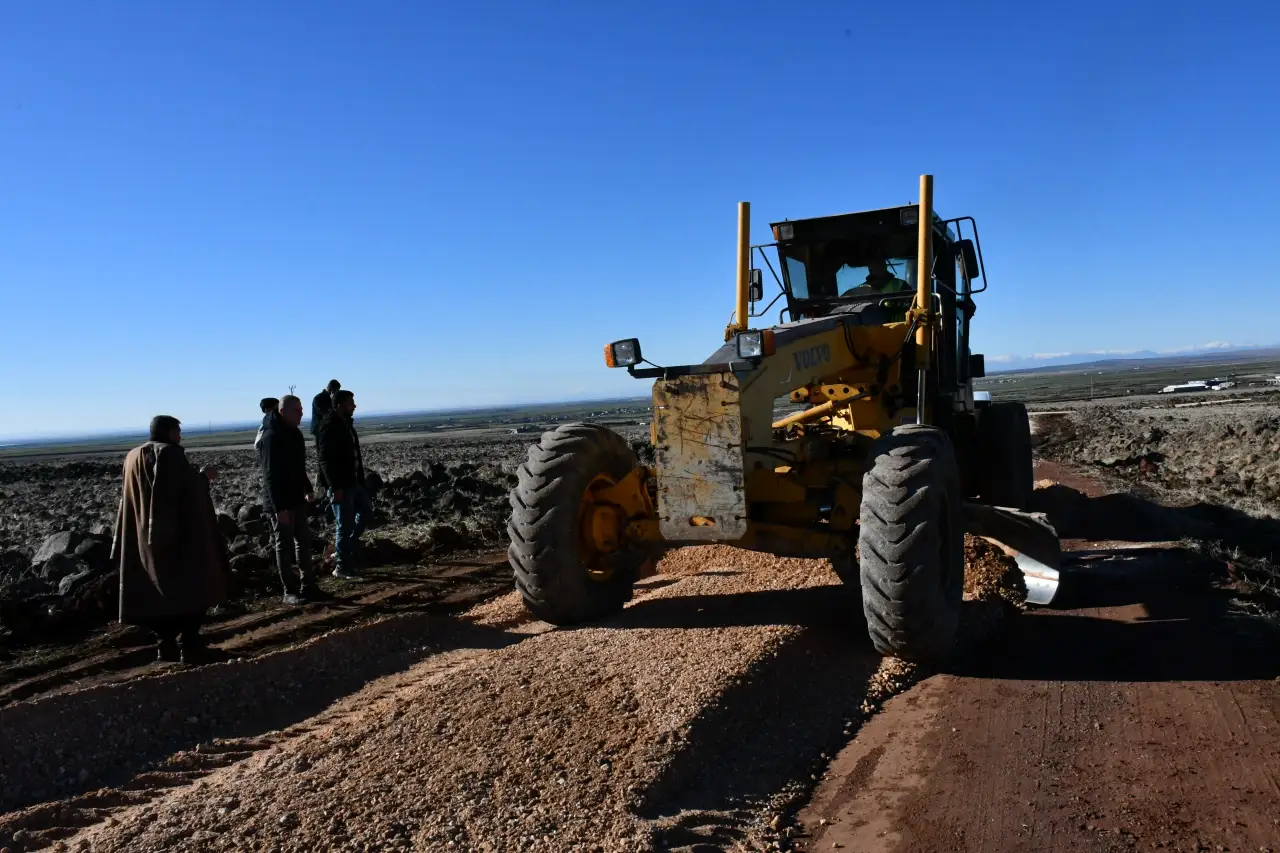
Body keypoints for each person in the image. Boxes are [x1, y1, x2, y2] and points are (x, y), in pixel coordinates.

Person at [110, 415, 231, 664]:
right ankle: (190, 644)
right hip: (174, 539)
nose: (180, 436)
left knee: (155, 592)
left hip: (142, 539)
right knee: (192, 585)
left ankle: (165, 645)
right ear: (170, 432)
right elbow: (184, 491)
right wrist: (203, 477)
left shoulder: (132, 456)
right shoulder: (170, 455)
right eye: (178, 431)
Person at [260, 395, 320, 604]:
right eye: (297, 409)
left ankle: (308, 585)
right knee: (284, 547)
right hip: (281, 504)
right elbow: (270, 476)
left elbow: (298, 466)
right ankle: (289, 592)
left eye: (302, 409)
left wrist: (308, 488)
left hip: (296, 498)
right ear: (283, 412)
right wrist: (279, 508)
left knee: (303, 543)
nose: (302, 413)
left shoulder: (294, 434)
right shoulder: (271, 437)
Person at [317, 389, 371, 580]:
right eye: (350, 403)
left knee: (366, 513)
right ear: (340, 405)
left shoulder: (346, 424)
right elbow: (324, 460)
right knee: (344, 525)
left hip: (354, 482)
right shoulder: (328, 426)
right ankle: (342, 567)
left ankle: (342, 553)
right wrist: (335, 486)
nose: (354, 406)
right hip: (341, 485)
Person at [310, 380, 340, 491]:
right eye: (336, 390)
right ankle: (321, 483)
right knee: (323, 457)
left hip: (326, 430)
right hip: (320, 431)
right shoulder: (319, 398)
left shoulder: (324, 398)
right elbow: (324, 413)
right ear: (332, 389)